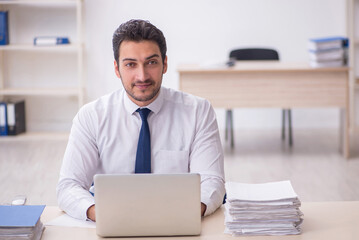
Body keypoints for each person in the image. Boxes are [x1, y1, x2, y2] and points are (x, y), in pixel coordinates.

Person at [56, 19, 225, 221]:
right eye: (130, 65)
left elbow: (212, 181)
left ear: (165, 64)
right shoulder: (91, 116)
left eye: (151, 62)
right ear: (117, 69)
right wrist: (100, 214)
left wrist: (183, 214)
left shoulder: (198, 111)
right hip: (113, 220)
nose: (142, 76)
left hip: (177, 220)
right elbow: (69, 185)